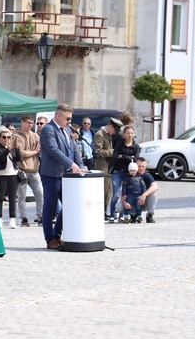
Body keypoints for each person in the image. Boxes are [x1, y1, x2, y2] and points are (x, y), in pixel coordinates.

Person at [39, 104, 85, 249]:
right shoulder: (48, 129)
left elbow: (74, 148)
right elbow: (53, 150)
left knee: (70, 205)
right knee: (50, 207)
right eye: (68, 118)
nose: (70, 121)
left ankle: (57, 234)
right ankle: (50, 238)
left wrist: (80, 164)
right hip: (52, 174)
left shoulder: (66, 129)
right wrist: (71, 164)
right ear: (58, 116)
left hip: (66, 176)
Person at [13, 114, 44, 226]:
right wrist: (34, 152)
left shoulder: (35, 136)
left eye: (32, 123)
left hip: (34, 169)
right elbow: (20, 153)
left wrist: (34, 152)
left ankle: (40, 216)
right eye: (28, 122)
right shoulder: (15, 136)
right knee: (22, 196)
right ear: (22, 122)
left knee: (40, 193)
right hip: (22, 170)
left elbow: (40, 149)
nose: (30, 125)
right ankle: (24, 218)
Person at [109, 125, 140, 223]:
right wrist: (129, 158)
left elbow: (135, 159)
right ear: (124, 134)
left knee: (125, 194)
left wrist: (123, 156)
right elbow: (115, 157)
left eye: (131, 133)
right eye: (128, 133)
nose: (129, 135)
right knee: (116, 194)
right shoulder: (119, 144)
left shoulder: (136, 147)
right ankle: (112, 214)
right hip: (118, 171)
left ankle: (123, 214)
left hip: (128, 173)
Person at [94, 118, 122, 222]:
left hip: (109, 165)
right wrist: (113, 152)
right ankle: (100, 211)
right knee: (103, 189)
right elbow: (98, 151)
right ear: (110, 126)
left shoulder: (108, 134)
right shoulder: (100, 134)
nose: (114, 133)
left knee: (109, 190)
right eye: (114, 130)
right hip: (102, 165)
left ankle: (105, 211)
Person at [0, 126, 20, 229]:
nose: (7, 139)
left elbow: (19, 159)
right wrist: (7, 150)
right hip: (1, 175)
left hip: (13, 174)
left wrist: (16, 149)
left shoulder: (11, 147)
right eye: (4, 137)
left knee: (13, 198)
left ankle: (12, 219)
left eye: (9, 137)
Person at [132, 157, 158, 223]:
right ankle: (132, 214)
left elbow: (155, 186)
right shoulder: (130, 175)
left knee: (154, 195)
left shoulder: (147, 175)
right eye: (139, 166)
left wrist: (144, 194)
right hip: (132, 201)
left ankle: (150, 215)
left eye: (143, 166)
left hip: (143, 201)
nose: (141, 168)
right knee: (119, 206)